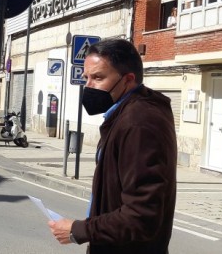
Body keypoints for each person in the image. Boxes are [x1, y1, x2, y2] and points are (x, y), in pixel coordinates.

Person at [48, 39, 177, 254]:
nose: (89, 86)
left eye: (98, 77)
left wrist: (79, 230)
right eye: (86, 78)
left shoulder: (139, 123)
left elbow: (142, 215)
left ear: (128, 80)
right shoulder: (124, 115)